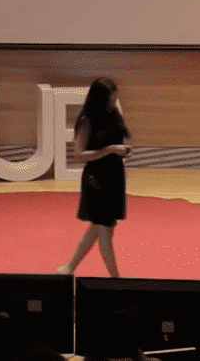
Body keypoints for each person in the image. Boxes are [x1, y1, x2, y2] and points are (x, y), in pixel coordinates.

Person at [56, 77, 132, 277]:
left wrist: (123, 150)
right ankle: (115, 278)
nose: (114, 103)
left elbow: (120, 138)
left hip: (115, 176)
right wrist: (111, 149)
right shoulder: (87, 120)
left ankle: (69, 267)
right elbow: (80, 155)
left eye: (115, 98)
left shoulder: (114, 114)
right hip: (96, 178)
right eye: (111, 99)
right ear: (100, 99)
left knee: (100, 227)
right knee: (104, 229)